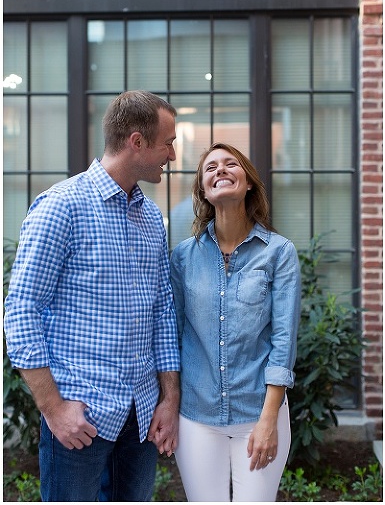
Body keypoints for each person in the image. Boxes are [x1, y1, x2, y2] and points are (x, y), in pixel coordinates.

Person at [3, 90, 181, 501]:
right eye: (167, 143)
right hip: (81, 420)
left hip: (140, 419)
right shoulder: (60, 207)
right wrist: (53, 409)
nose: (171, 155)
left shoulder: (151, 217)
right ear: (136, 142)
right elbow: (21, 310)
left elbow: (162, 310)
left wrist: (168, 400)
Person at [170, 142, 300, 502]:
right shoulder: (182, 257)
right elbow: (172, 335)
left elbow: (284, 340)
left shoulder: (279, 252)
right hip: (196, 416)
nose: (220, 170)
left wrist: (269, 418)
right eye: (210, 168)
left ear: (248, 184)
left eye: (231, 164)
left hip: (259, 413)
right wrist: (169, 402)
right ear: (203, 191)